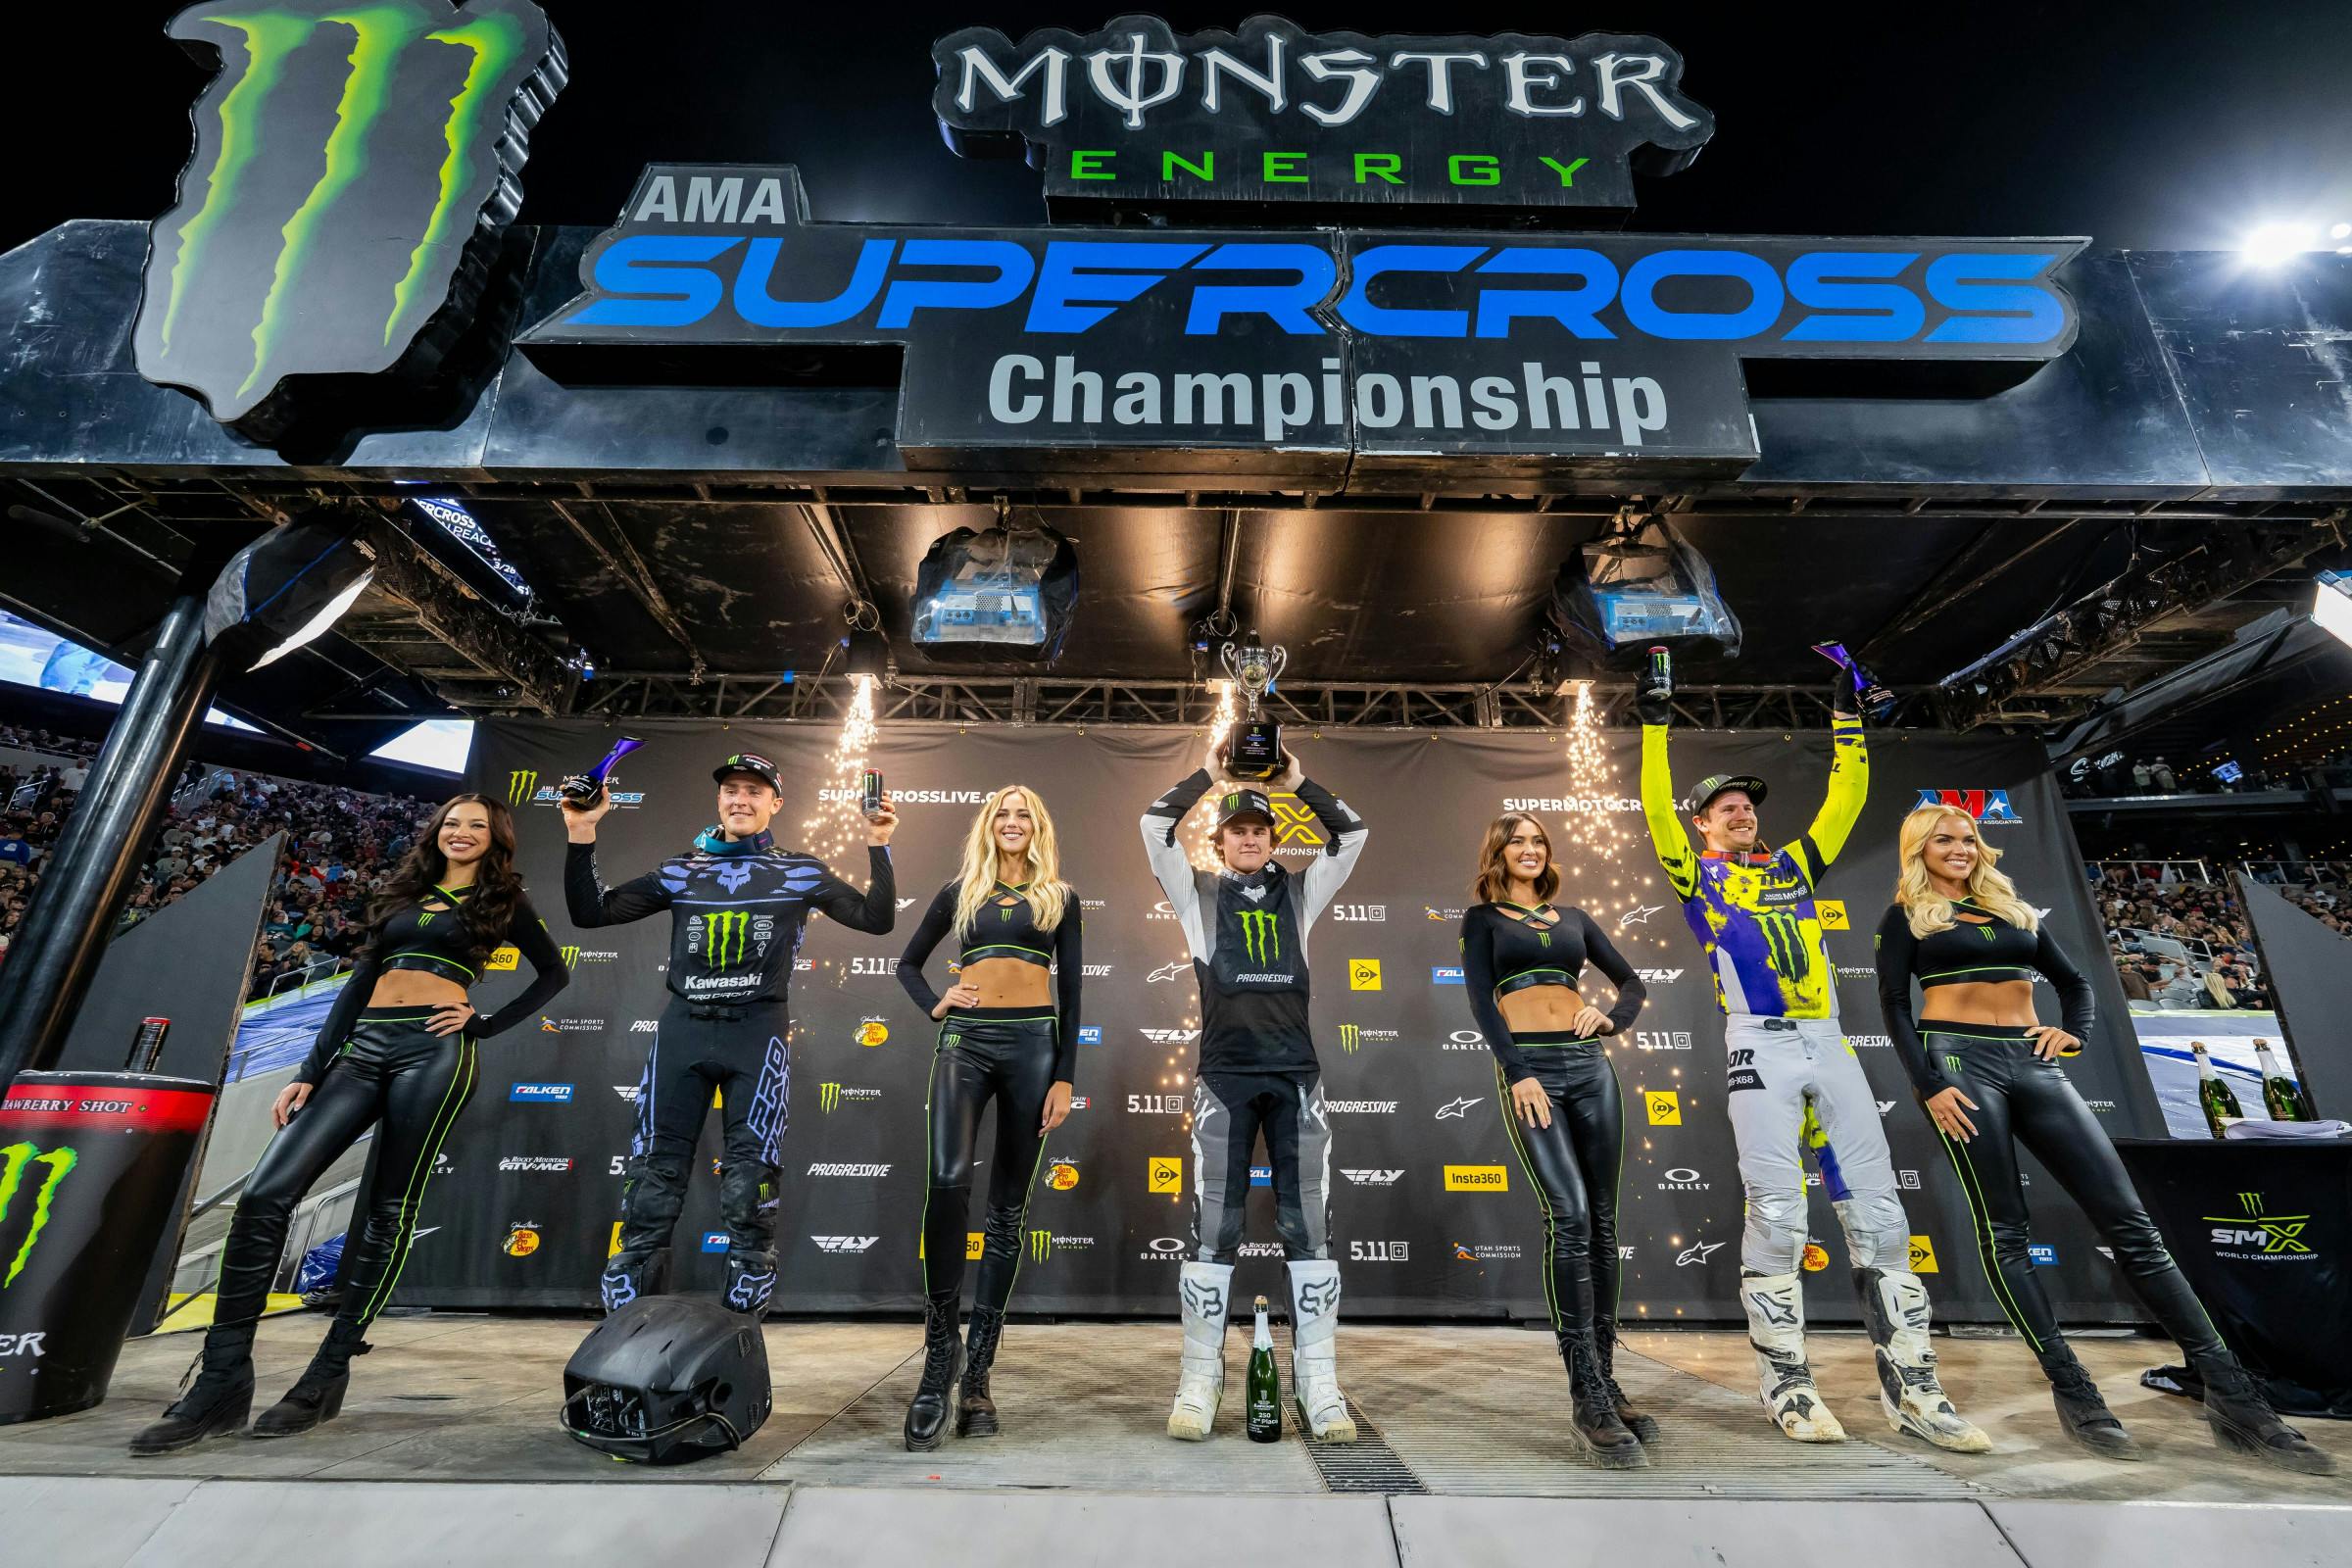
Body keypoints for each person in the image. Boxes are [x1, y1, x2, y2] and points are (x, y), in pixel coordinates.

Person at [1875, 807, 2332, 1473]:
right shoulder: (1907, 918)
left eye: (1968, 838)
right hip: (1959, 1065)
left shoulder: (2012, 909)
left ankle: (2235, 1396)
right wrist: (1927, 1084)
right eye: (1944, 839)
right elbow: (1891, 1005)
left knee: (2134, 1229)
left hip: (2033, 1063)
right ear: (1918, 847)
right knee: (2004, 1230)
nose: (1960, 848)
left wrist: (2075, 1032)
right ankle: (2075, 1389)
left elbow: (2077, 985)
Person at [129, 794, 567, 1455]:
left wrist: (483, 1022)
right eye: (451, 821)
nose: (461, 832)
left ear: (496, 838)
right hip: (362, 1049)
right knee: (263, 1197)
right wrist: (310, 1067)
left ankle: (325, 1375)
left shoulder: (504, 901)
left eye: (477, 825)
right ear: (436, 831)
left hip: (435, 1051)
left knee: (390, 1209)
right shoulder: (402, 893)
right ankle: (221, 1381)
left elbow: (554, 974)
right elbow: (361, 982)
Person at [1639, 666, 1985, 1452]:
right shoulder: (1695, 874)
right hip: (1756, 1043)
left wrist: (1844, 718)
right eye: (1725, 808)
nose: (1741, 813)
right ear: (1700, 826)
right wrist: (1655, 722)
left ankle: (1916, 1392)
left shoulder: (1793, 866)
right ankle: (1788, 1387)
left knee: (1880, 1216)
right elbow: (1654, 804)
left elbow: (1848, 799)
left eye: (1747, 805)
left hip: (1827, 1042)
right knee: (1780, 1214)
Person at [565, 752, 898, 1317]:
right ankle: (630, 1317)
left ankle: (741, 1320)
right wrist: (581, 831)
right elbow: (590, 915)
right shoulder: (681, 869)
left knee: (751, 1176)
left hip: (757, 1031)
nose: (740, 800)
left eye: (753, 791)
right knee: (652, 1172)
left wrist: (878, 842)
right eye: (731, 790)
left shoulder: (800, 870)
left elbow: (876, 919)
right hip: (683, 1029)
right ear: (719, 799)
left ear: (775, 803)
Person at [1140, 736, 1367, 1442]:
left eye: (1260, 830)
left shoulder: (1303, 890)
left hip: (1296, 1078)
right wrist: (1211, 773)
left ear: (1275, 839)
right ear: (1220, 839)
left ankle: (1318, 1384)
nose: (1248, 839)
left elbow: (1353, 831)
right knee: (1217, 1231)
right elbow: (1153, 826)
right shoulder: (1195, 893)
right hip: (1223, 1078)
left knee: (1308, 1229)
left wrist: (1299, 782)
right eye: (1236, 830)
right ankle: (1200, 1383)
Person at [1458, 812, 1650, 1467]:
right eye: (1518, 840)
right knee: (1567, 1217)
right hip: (1533, 1071)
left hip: (1590, 1068)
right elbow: (1484, 1005)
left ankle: (1604, 1378)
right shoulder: (1482, 921)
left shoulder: (1574, 917)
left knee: (1601, 1222)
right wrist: (1518, 1072)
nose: (1531, 850)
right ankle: (1585, 1398)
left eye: (1539, 841)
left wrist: (1612, 1017)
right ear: (1499, 851)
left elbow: (1633, 982)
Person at [893, 785, 1082, 1449]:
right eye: (1002, 814)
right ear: (988, 825)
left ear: (1037, 827)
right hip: (965, 1041)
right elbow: (906, 964)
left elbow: (1075, 993)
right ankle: (936, 1363)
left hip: (1034, 1046)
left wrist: (1065, 1076)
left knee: (1007, 1210)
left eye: (1023, 814)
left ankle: (977, 1377)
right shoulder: (959, 892)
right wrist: (936, 1003)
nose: (1011, 822)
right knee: (947, 1184)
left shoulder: (1059, 898)